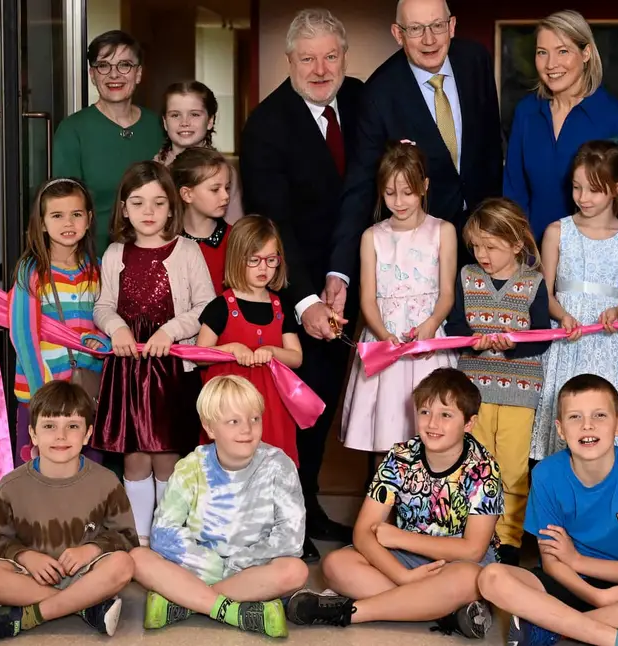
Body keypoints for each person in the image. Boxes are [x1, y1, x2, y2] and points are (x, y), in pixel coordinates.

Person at [240, 7, 364, 559]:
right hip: (297, 287)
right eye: (307, 58)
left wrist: (342, 278)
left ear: (344, 57)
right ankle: (291, 515)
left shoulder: (362, 100)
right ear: (288, 61)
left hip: (361, 277)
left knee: (342, 400)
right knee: (301, 404)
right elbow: (277, 222)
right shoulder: (267, 125)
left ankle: (314, 505)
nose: (320, 69)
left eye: (330, 56)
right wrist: (308, 300)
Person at [477, 374, 618, 646]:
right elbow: (552, 563)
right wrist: (594, 595)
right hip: (567, 583)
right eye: (575, 417)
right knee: (491, 577)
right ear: (561, 430)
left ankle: (551, 627)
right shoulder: (546, 474)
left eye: (599, 415)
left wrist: (577, 560)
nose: (587, 426)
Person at [287, 368, 499, 638]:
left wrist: (400, 538)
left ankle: (350, 612)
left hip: (456, 564)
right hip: (405, 562)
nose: (432, 424)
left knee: (472, 580)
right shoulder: (400, 456)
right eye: (425, 412)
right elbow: (363, 532)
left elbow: (472, 550)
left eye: (446, 415)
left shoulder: (483, 467)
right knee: (335, 565)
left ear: (469, 423)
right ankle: (445, 611)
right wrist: (402, 576)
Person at [328, 0, 503, 317]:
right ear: (398, 33)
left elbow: (492, 147)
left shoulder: (476, 61)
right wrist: (339, 271)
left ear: (451, 25)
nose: (429, 39)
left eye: (437, 26)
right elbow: (360, 184)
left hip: (487, 238)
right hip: (421, 255)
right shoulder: (379, 93)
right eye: (416, 29)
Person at [91, 160, 215, 545]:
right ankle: (140, 537)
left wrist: (171, 331)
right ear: (124, 208)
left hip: (170, 370)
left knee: (165, 455)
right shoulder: (115, 253)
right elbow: (102, 306)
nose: (148, 212)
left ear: (172, 207)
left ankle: (168, 534)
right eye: (138, 202)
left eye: (158, 203)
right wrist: (117, 328)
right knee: (134, 457)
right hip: (128, 369)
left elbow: (206, 308)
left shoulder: (188, 251)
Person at [130, 375, 308, 639]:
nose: (247, 429)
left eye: (254, 419)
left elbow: (291, 539)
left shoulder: (279, 465)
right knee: (137, 558)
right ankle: (233, 609)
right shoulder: (192, 466)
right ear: (210, 429)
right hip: (200, 565)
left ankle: (186, 602)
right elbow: (164, 532)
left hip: (252, 567)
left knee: (295, 571)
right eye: (233, 421)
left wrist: (234, 565)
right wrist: (213, 565)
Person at [0, 381, 138, 643]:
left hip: (86, 575)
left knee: (124, 565)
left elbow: (126, 538)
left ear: (88, 434)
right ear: (33, 434)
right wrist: (25, 556)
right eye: (49, 426)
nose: (61, 436)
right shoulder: (11, 486)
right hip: (30, 578)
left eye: (72, 426)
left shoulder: (106, 482)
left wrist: (91, 550)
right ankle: (84, 607)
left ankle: (29, 616)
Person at [443, 197, 552, 567]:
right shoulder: (467, 277)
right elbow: (455, 325)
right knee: (474, 463)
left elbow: (542, 337)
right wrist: (472, 338)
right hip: (473, 391)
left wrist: (513, 347)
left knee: (512, 468)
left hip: (520, 393)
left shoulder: (534, 283)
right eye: (476, 245)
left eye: (490, 246)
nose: (482, 253)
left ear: (516, 243)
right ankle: (470, 535)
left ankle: (508, 542)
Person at [532, 141, 618, 461]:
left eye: (594, 190)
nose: (583, 198)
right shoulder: (557, 231)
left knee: (605, 418)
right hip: (567, 340)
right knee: (567, 419)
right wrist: (561, 314)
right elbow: (545, 290)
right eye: (577, 188)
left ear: (617, 188)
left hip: (609, 343)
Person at [341, 141, 457, 456]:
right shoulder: (372, 236)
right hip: (385, 341)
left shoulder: (443, 231)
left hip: (426, 340)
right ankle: (385, 502)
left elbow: (447, 293)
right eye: (390, 193)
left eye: (408, 192)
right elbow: (367, 300)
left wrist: (431, 324)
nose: (399, 201)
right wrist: (384, 336)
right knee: (387, 434)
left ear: (425, 186)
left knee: (433, 433)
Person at [503, 10, 618, 235]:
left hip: (593, 257)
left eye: (562, 51)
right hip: (532, 254)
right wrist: (523, 253)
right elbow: (514, 191)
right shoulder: (526, 112)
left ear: (586, 53)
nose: (551, 64)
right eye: (542, 52)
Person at [8, 177, 108, 466]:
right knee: (37, 470)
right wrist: (43, 396)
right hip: (40, 394)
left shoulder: (98, 270)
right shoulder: (31, 271)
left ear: (89, 219)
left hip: (85, 394)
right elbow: (22, 335)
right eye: (57, 215)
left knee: (87, 469)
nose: (68, 223)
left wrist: (103, 342)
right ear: (41, 223)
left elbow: (107, 322)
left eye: (76, 214)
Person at [196, 216, 303, 465]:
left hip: (271, 408)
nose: (263, 268)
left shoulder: (280, 306)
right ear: (237, 259)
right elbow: (200, 355)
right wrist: (230, 349)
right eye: (254, 260)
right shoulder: (221, 306)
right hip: (228, 407)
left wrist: (271, 351)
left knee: (270, 466)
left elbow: (296, 357)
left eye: (271, 260)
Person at [53, 30, 166, 254]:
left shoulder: (158, 126)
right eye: (104, 66)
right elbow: (63, 204)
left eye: (125, 65)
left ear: (139, 73)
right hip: (92, 258)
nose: (114, 75)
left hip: (156, 253)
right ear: (92, 75)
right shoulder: (72, 129)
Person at [155, 80, 244, 226]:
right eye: (175, 115)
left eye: (194, 114)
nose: (185, 122)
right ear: (165, 122)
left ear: (210, 120)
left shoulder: (224, 172)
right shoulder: (154, 170)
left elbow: (236, 230)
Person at [171, 146, 234, 296]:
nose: (225, 196)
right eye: (215, 189)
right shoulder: (167, 242)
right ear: (187, 194)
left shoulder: (237, 239)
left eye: (227, 187)